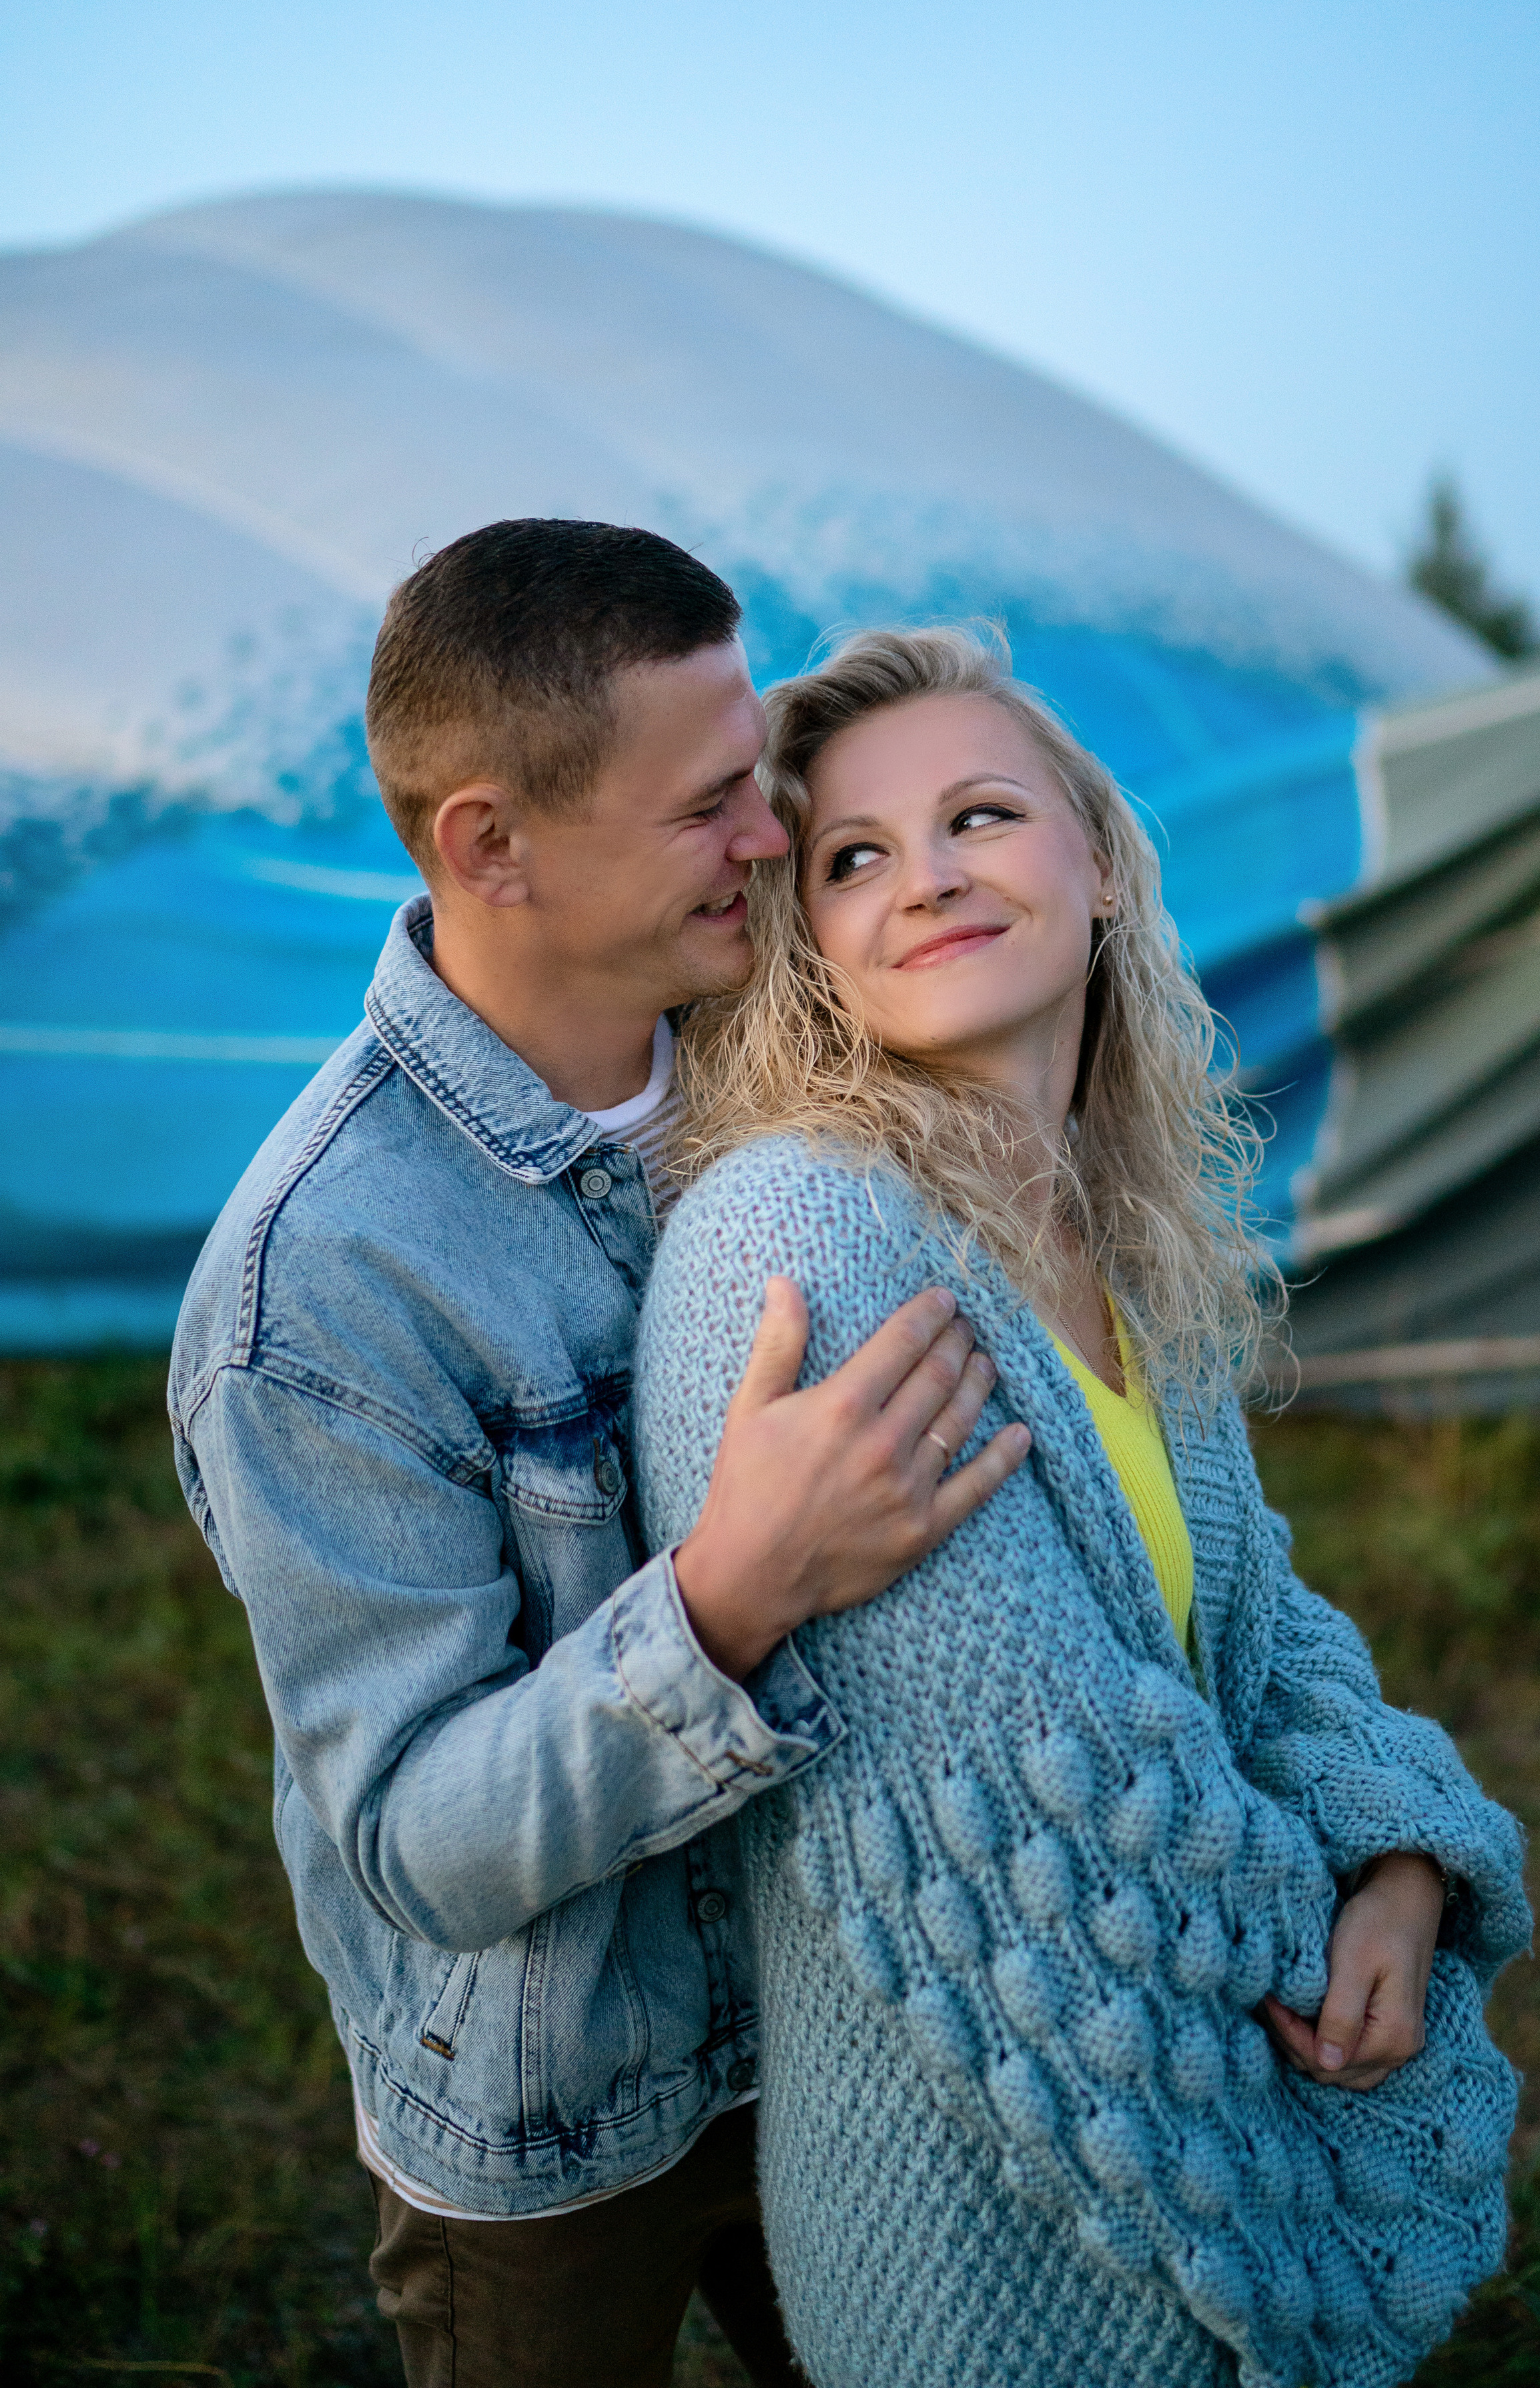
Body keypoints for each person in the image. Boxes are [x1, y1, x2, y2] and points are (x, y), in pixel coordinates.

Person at [167, 527, 1031, 2388]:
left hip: (844, 2016)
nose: (772, 839)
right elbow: (419, 1839)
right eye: (713, 802)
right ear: (495, 846)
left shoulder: (787, 1053)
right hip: (556, 2125)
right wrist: (733, 1594)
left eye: (769, 785)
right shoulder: (318, 1286)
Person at [633, 627, 1532, 2388]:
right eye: (855, 859)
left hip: (1179, 2135)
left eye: (981, 815)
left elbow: (1267, 1645)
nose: (930, 880)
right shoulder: (805, 1240)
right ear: (806, 940)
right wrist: (1326, 1953)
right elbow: (1061, 1822)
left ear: (1103, 867)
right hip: (996, 2245)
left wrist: (1405, 1865)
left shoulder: (1117, 1248)